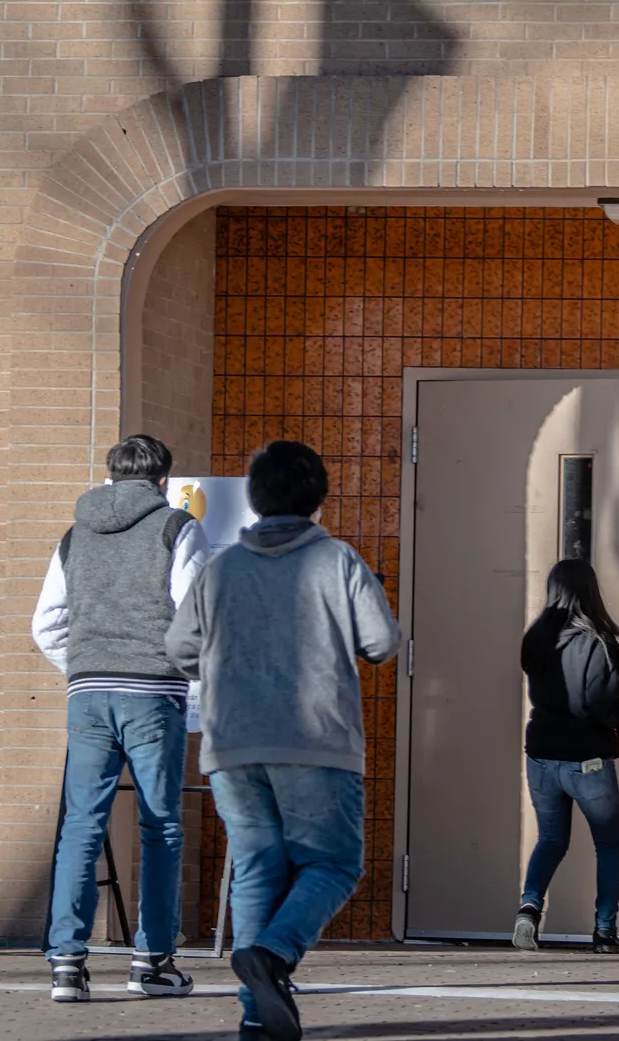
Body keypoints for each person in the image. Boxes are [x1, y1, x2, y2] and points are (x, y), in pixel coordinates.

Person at [166, 441, 399, 1041]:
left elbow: (180, 650)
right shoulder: (338, 560)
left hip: (232, 742)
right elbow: (381, 642)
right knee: (334, 862)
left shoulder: (220, 569)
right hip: (316, 739)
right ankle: (274, 954)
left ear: (255, 498)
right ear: (318, 497)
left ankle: (255, 1012)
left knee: (256, 868)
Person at [31, 433, 210, 1002]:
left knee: (81, 825)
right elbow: (196, 622)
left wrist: (84, 666)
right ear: (163, 482)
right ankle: (153, 962)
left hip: (87, 696)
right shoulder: (176, 528)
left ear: (109, 479)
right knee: (160, 827)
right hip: (153, 694)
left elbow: (46, 624)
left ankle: (66, 964)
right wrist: (197, 696)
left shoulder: (73, 535)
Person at [512, 559, 619, 955]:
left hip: (541, 755)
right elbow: (598, 704)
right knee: (608, 844)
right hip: (587, 760)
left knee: (552, 839)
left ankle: (529, 909)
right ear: (591, 591)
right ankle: (605, 932)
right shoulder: (597, 641)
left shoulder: (535, 637)